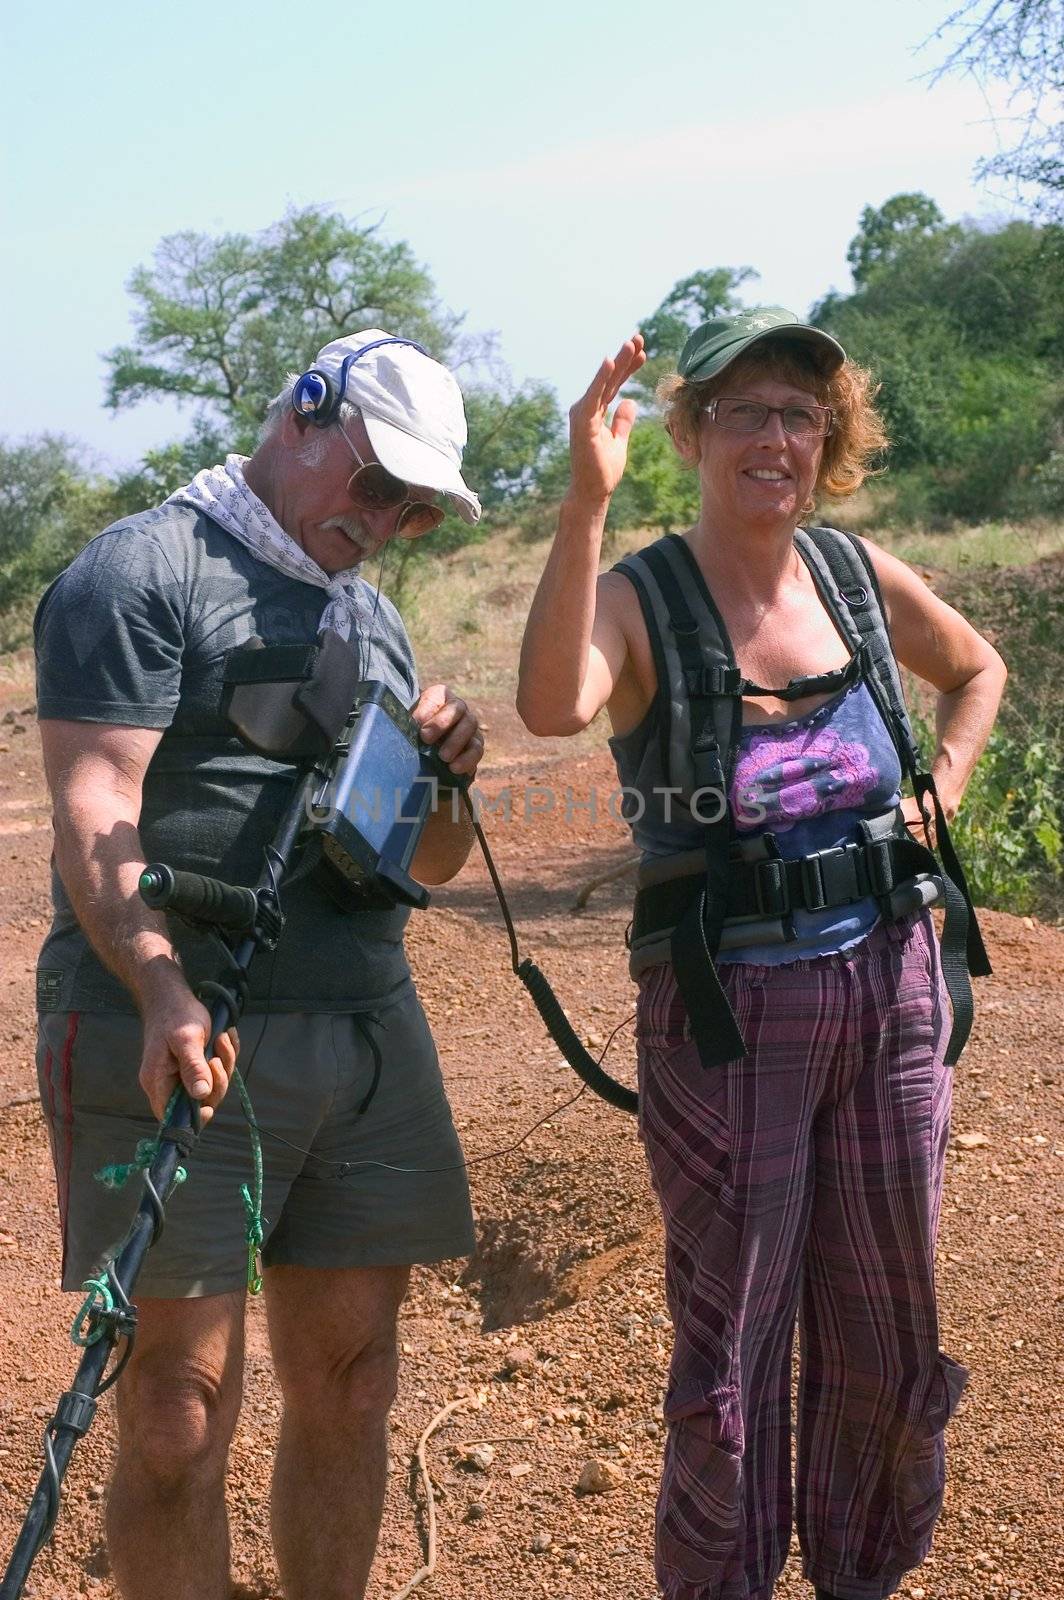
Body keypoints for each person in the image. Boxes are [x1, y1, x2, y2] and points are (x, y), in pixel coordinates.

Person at [517, 309, 1005, 1600]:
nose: (775, 437)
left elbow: (978, 670)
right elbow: (551, 702)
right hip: (730, 1014)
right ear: (692, 432)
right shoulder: (646, 594)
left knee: (886, 1317)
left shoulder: (849, 574)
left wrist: (938, 792)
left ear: (830, 438)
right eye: (747, 411)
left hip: (892, 990)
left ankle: (859, 1572)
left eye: (801, 412)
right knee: (734, 1340)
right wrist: (582, 504)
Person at [33, 330, 484, 1600]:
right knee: (178, 1406)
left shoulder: (375, 621)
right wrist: (160, 986)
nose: (389, 519)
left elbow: (427, 859)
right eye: (378, 481)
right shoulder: (140, 569)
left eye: (416, 505)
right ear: (304, 413)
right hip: (178, 1027)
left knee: (353, 1377)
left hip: (361, 1028)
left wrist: (451, 774)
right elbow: (93, 801)